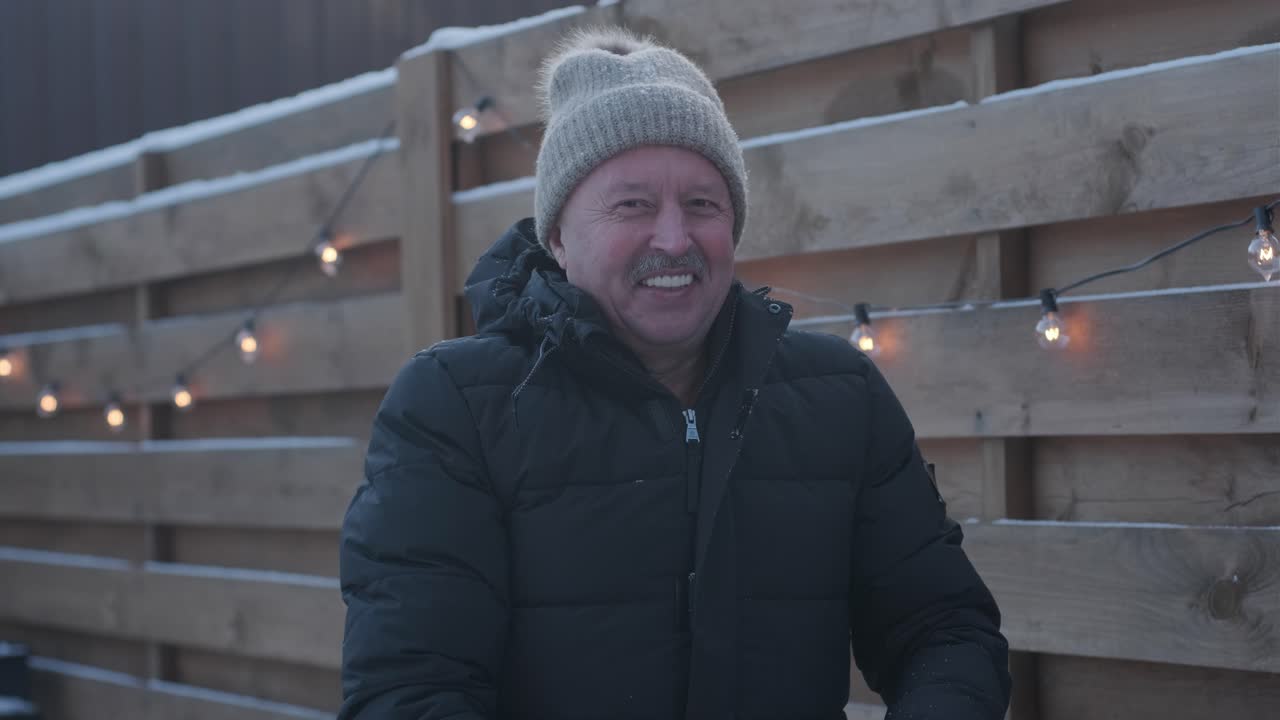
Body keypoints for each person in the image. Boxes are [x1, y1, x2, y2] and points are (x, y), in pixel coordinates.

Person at [339, 27, 1010, 720]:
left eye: (702, 205)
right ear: (560, 237)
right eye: (632, 204)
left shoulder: (839, 396)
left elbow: (944, 631)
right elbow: (408, 692)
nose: (673, 238)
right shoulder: (455, 408)